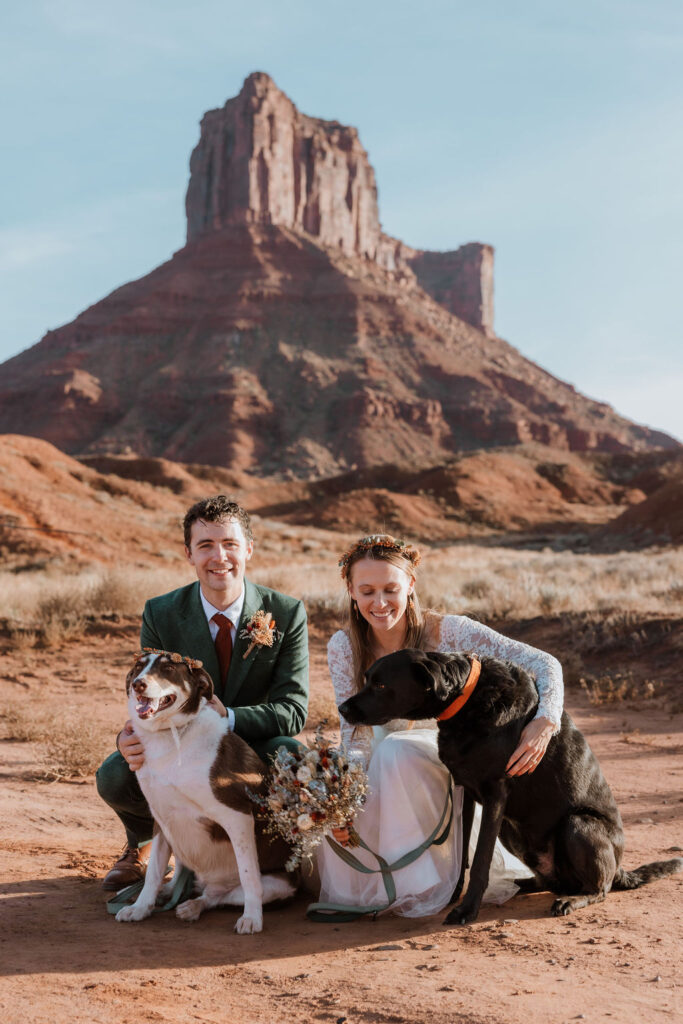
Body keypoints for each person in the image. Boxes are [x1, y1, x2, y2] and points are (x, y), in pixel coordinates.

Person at [317, 534, 563, 918]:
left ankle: (429, 884)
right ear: (350, 590)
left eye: (390, 589)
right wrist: (347, 800)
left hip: (445, 752)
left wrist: (546, 721)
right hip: (382, 757)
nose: (379, 603)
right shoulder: (344, 646)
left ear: (411, 585)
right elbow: (356, 734)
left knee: (398, 751)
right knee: (334, 784)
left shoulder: (449, 632)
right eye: (366, 591)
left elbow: (546, 664)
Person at [96, 495, 309, 891]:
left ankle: (278, 857)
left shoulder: (287, 612)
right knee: (114, 774)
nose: (220, 557)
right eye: (206, 545)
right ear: (189, 554)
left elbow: (293, 710)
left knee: (291, 754)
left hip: (250, 743)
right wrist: (129, 735)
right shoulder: (160, 612)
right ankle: (142, 844)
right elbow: (148, 694)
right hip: (179, 741)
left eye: (229, 544)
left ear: (249, 548)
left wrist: (226, 716)